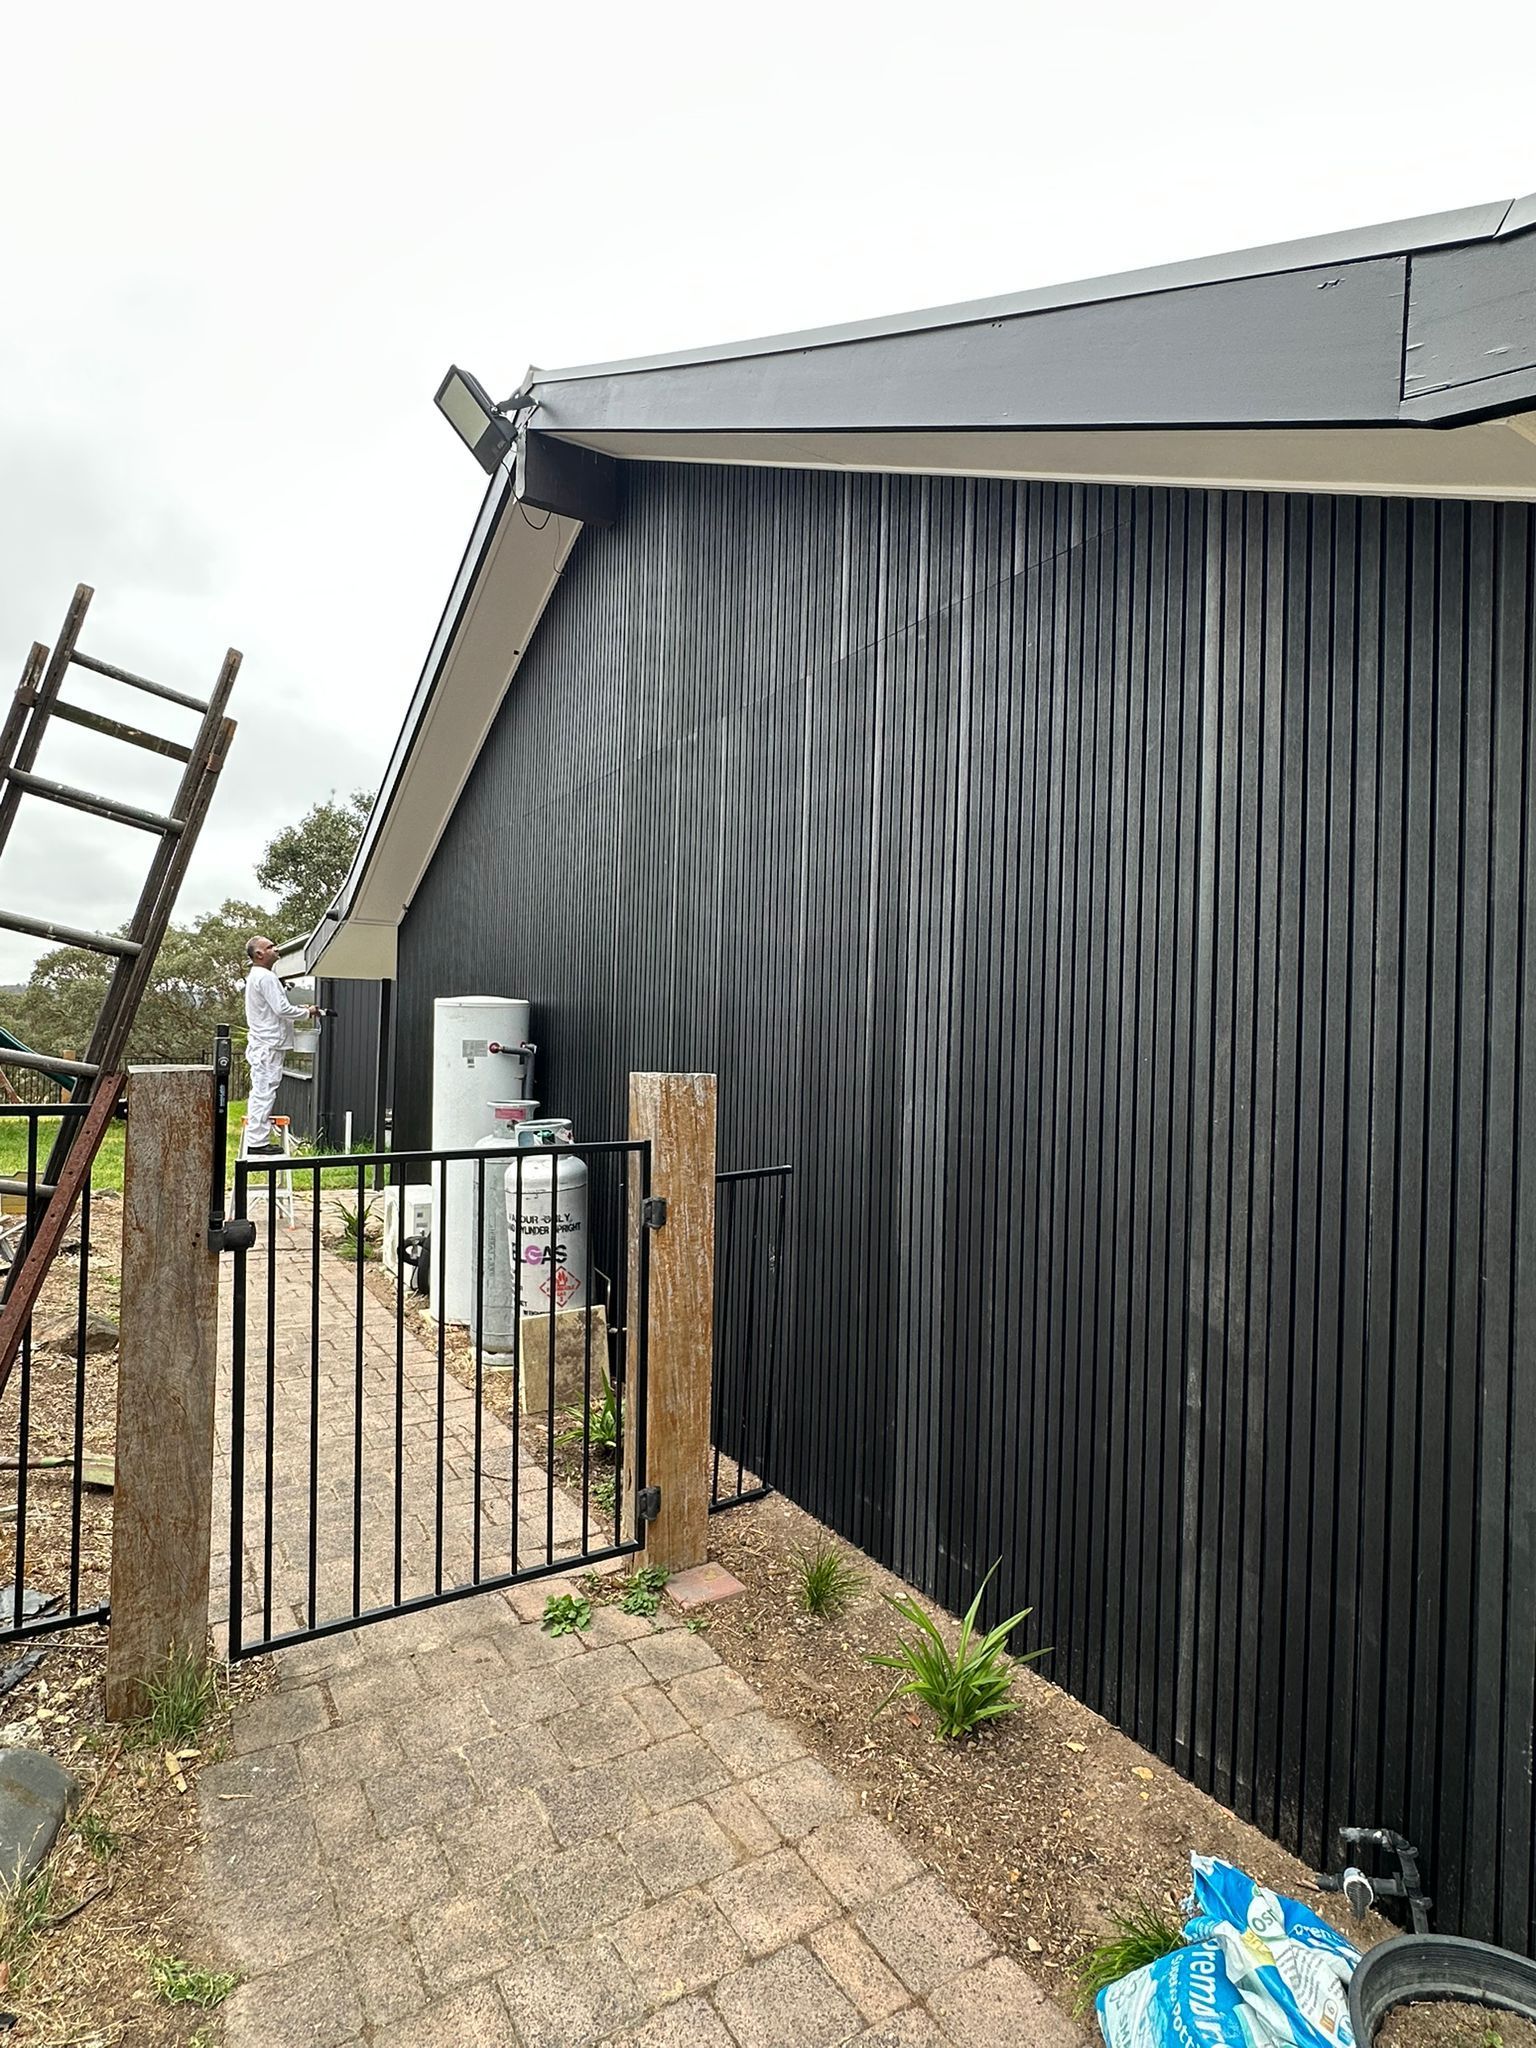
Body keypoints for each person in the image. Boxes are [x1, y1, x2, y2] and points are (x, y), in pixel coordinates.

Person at [243, 937, 315, 1153]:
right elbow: (282, 1009)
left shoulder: (259, 977)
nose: (276, 949)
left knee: (264, 1089)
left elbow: (276, 1009)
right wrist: (307, 1012)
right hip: (268, 1044)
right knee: (264, 1091)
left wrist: (297, 1009)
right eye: (270, 947)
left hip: (265, 1043)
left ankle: (258, 1139)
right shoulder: (266, 978)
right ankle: (257, 1143)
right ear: (259, 954)